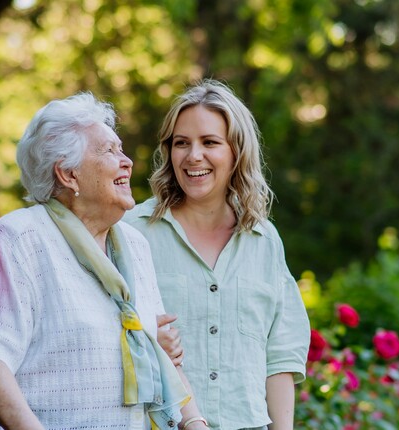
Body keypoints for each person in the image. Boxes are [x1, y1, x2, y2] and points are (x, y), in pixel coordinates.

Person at [0, 92, 207, 430]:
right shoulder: (21, 237)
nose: (127, 161)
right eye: (109, 151)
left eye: (121, 149)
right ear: (68, 174)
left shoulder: (134, 245)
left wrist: (195, 423)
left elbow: (161, 358)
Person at [125, 80, 310, 430]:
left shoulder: (264, 240)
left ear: (237, 151)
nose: (193, 156)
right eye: (182, 143)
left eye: (210, 142)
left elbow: (280, 356)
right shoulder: (133, 233)